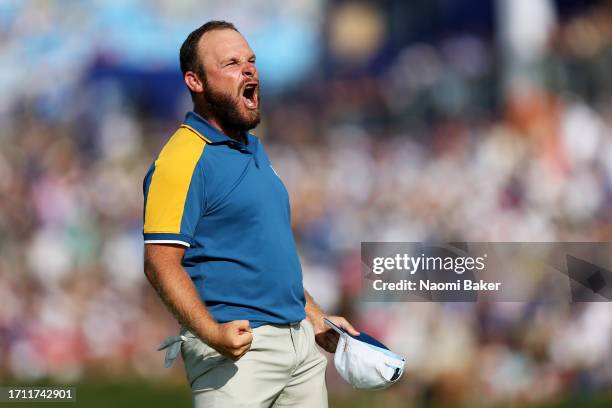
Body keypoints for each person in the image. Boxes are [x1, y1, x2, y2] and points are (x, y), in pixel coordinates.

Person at [142, 20, 358, 407]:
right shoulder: (181, 159)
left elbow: (266, 258)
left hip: (300, 347)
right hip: (239, 354)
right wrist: (211, 332)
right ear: (195, 81)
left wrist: (314, 317)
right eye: (230, 63)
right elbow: (160, 262)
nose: (248, 69)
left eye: (251, 60)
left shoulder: (254, 148)